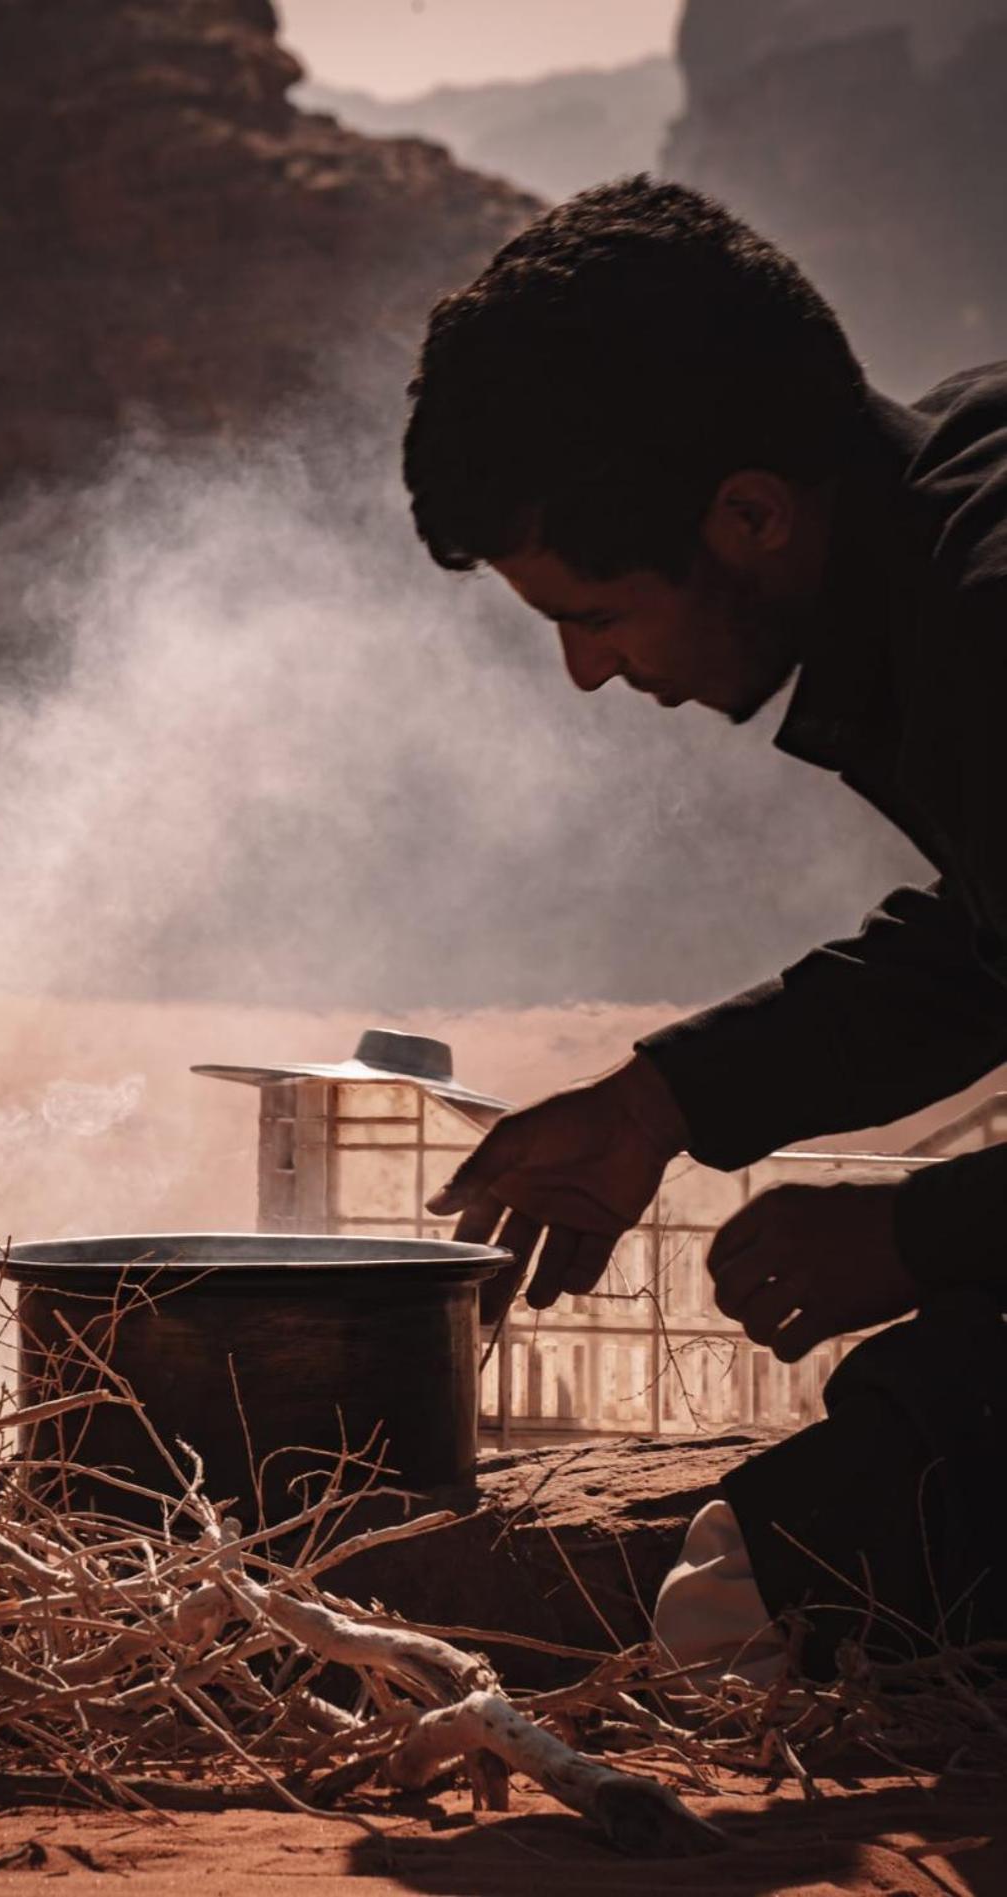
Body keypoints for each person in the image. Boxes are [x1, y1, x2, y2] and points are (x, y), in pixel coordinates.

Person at [403, 176, 1007, 1680]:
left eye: (598, 612)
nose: (586, 675)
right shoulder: (945, 526)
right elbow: (992, 937)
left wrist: (915, 1233)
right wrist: (663, 1099)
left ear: (749, 514)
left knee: (876, 1524)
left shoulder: (994, 618)